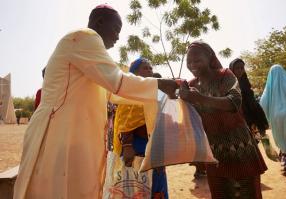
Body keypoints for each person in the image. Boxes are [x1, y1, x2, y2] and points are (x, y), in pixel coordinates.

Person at [14, 5, 178, 199]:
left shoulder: (90, 50)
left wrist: (156, 92)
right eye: (116, 30)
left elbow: (113, 92)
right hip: (59, 133)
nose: (117, 37)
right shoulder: (84, 37)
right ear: (99, 22)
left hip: (72, 134)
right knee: (57, 190)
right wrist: (159, 85)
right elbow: (117, 81)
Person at [179, 41, 267, 199]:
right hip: (213, 151)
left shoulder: (225, 75)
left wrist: (200, 98)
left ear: (210, 58)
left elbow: (234, 102)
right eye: (189, 62)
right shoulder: (191, 86)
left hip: (239, 146)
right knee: (221, 193)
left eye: (197, 60)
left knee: (247, 192)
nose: (192, 65)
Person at [113, 58, 168, 198]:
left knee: (156, 184)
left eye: (150, 68)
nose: (150, 70)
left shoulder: (156, 92)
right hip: (136, 146)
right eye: (145, 68)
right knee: (136, 187)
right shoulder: (129, 93)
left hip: (155, 146)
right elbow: (124, 121)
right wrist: (127, 146)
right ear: (134, 73)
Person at [260, 64, 286, 179]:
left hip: (275, 117)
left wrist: (267, 119)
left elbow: (262, 104)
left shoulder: (269, 86)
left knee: (282, 142)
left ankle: (285, 166)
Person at [229, 58, 269, 140]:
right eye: (237, 68)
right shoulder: (228, 84)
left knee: (255, 140)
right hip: (239, 117)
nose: (240, 70)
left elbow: (251, 100)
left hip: (251, 115)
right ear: (232, 69)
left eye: (242, 68)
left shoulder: (245, 81)